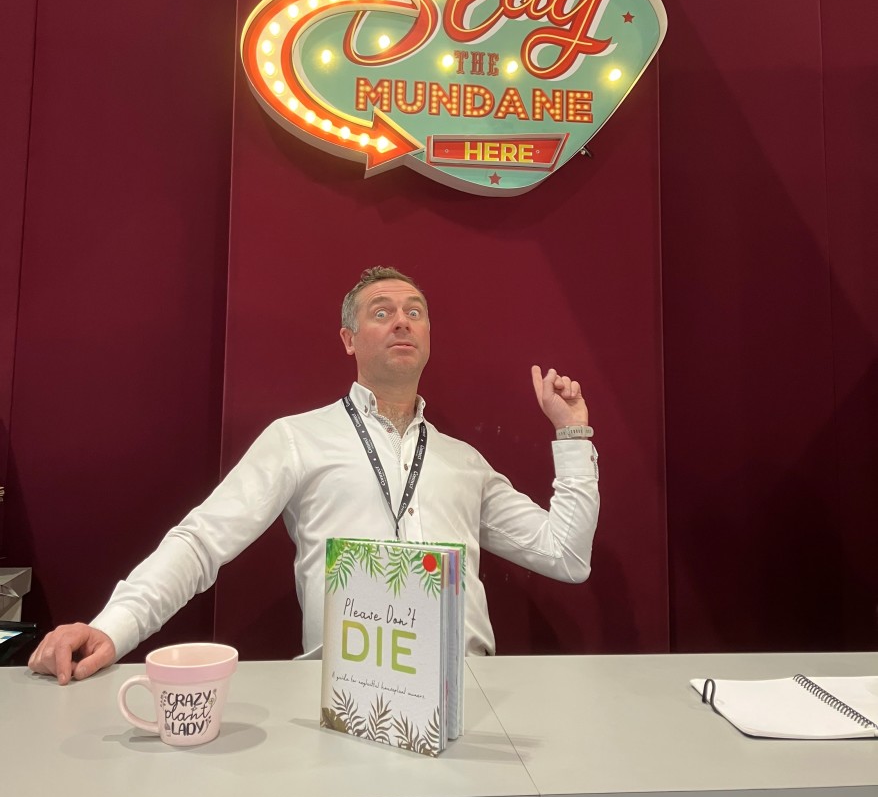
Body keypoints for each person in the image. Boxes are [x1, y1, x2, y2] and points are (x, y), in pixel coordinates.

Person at [29, 266, 599, 684]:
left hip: (469, 691)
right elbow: (202, 543)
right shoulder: (297, 439)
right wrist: (113, 627)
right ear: (349, 340)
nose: (402, 320)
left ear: (428, 337)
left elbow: (566, 557)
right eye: (382, 312)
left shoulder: (464, 462)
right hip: (343, 694)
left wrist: (572, 434)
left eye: (414, 311)